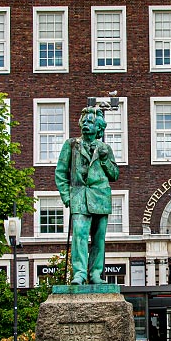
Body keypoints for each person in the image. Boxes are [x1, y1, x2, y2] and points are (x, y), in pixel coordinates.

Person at [55, 105, 120, 285]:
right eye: (84, 121)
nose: (85, 124)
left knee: (99, 240)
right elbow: (60, 172)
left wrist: (105, 159)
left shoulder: (105, 148)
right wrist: (66, 197)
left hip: (100, 198)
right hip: (79, 198)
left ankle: (96, 274)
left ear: (98, 127)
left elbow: (114, 175)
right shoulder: (71, 145)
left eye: (90, 122)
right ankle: (80, 274)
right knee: (80, 237)